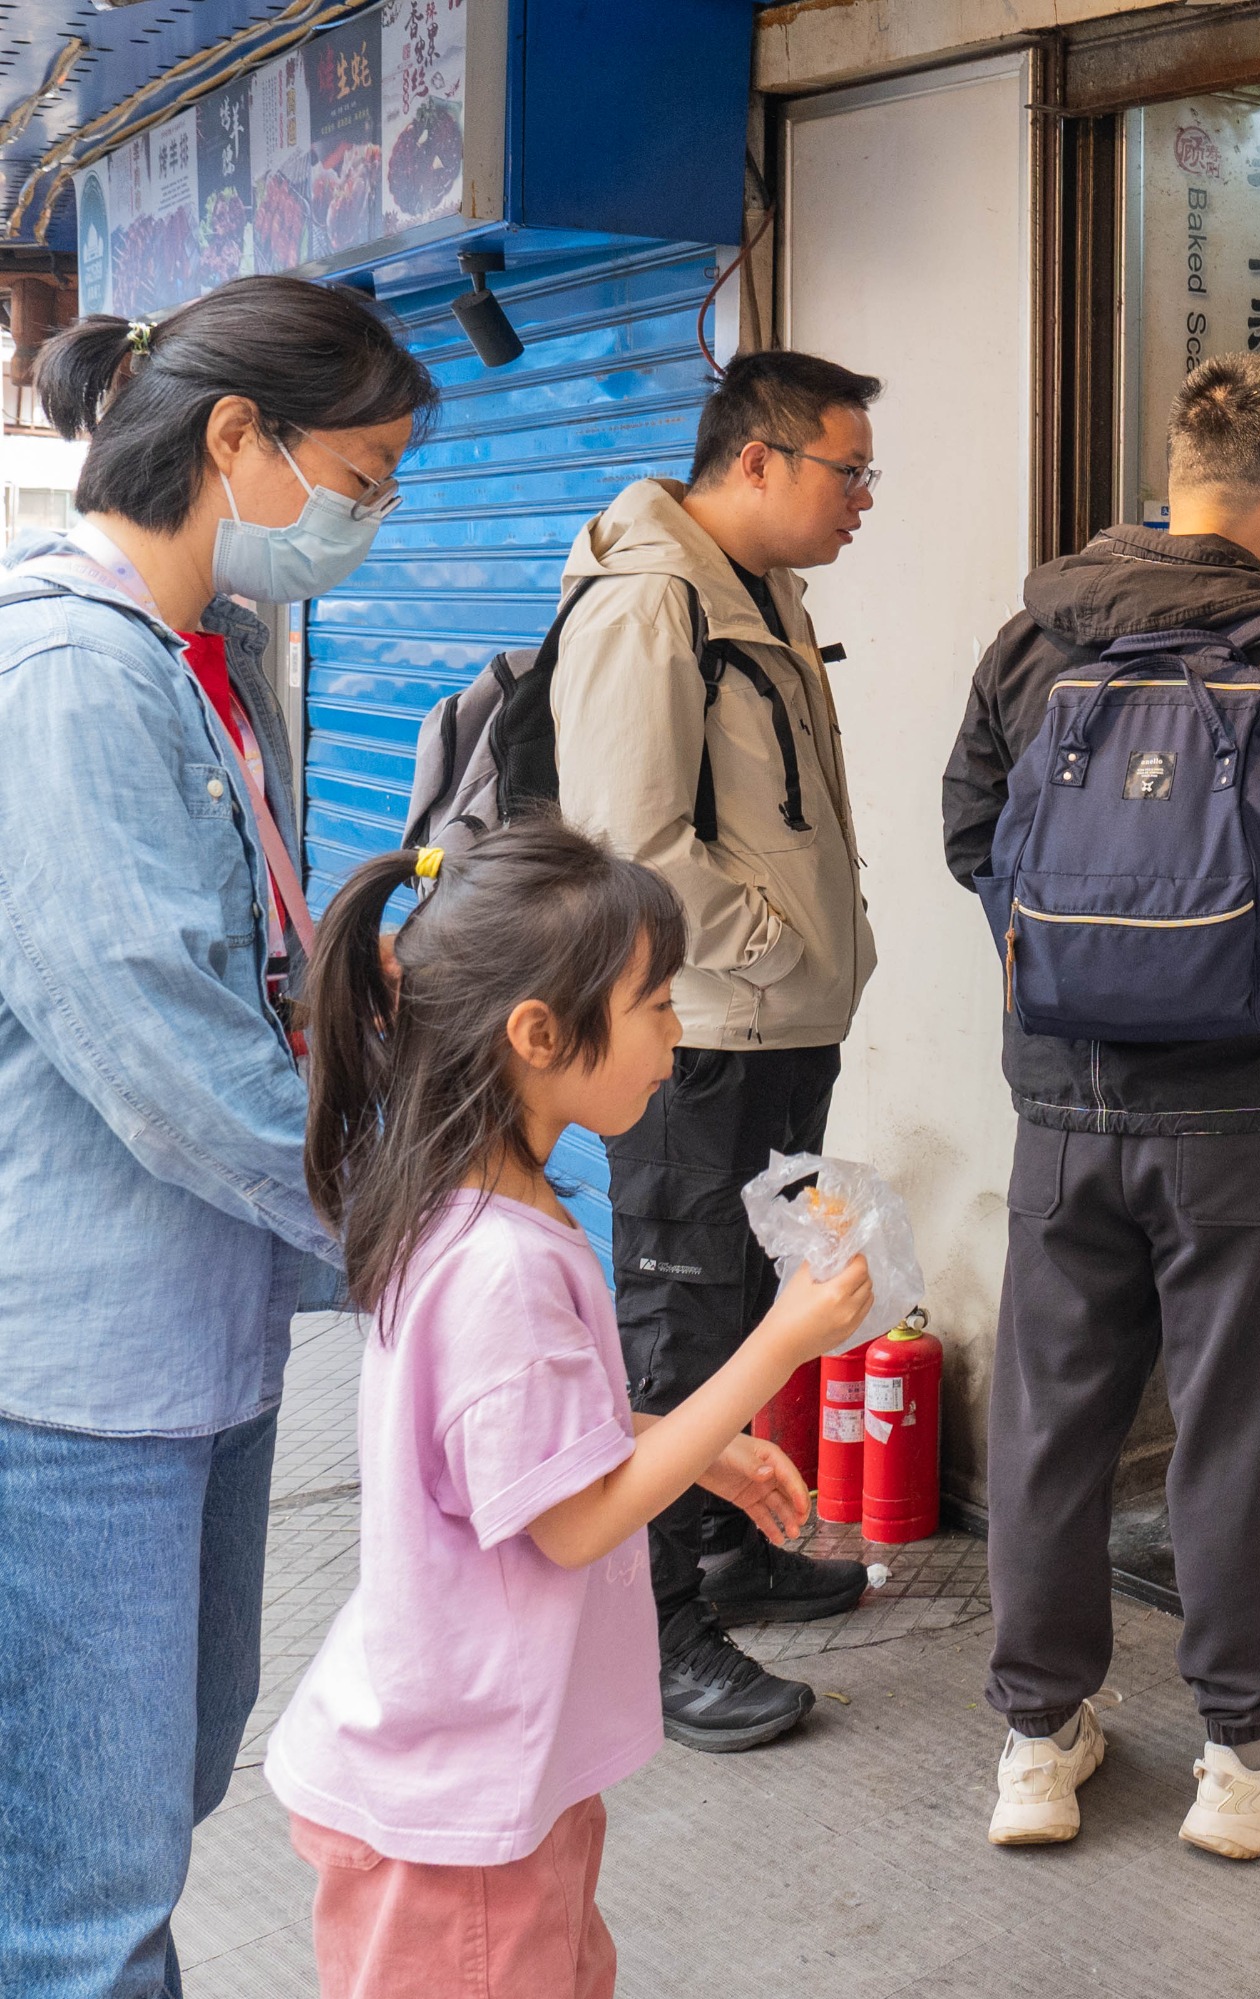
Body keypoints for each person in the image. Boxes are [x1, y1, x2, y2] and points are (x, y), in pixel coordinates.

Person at [0, 278, 433, 1999]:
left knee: (152, 1804)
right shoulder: (69, 679)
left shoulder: (201, 661)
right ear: (236, 438)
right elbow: (166, 1055)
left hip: (197, 1345)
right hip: (78, 1384)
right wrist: (419, 1215)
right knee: (85, 1898)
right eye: (365, 473)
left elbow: (225, 979)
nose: (370, 518)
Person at [941, 353, 1260, 1859]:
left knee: (1050, 1415)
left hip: (1063, 1098)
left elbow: (971, 827)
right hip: (1247, 1105)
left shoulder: (1038, 633)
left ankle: (1038, 1739)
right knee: (1237, 1422)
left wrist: (1071, 963)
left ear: (1177, 475)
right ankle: (1246, 1746)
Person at [267, 821, 873, 1999]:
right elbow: (576, 1521)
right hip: (464, 1824)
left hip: (482, 1775)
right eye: (653, 1003)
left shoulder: (465, 1202)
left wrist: (695, 1454)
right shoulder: (503, 1260)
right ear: (539, 1035)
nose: (675, 1035)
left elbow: (520, 1456)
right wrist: (779, 1341)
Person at [549, 350, 884, 1751]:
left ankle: (730, 1549)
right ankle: (658, 1619)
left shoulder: (767, 595)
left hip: (782, 1025)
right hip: (698, 1037)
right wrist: (766, 942)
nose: (865, 498)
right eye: (848, 469)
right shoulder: (651, 599)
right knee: (681, 1320)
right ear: (759, 459)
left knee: (749, 1300)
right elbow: (630, 842)